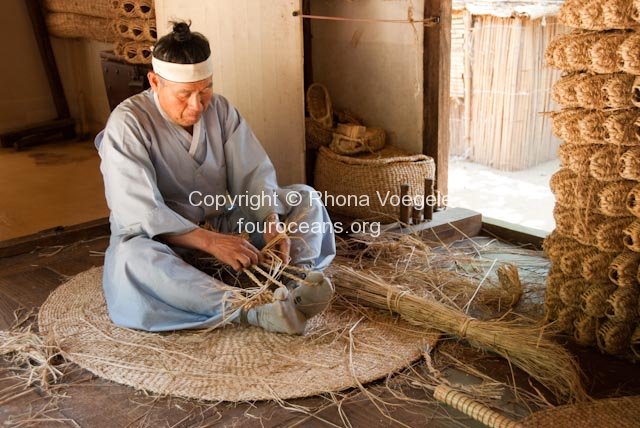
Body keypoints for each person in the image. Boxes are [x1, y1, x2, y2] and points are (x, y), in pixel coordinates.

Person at [95, 21, 336, 334]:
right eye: (185, 94)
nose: (197, 105)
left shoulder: (221, 110)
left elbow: (253, 173)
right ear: (155, 82)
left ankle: (291, 281)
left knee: (305, 198)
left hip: (224, 224)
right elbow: (140, 212)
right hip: (168, 242)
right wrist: (209, 242)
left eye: (205, 89)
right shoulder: (128, 124)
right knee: (132, 260)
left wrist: (271, 223)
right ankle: (250, 310)